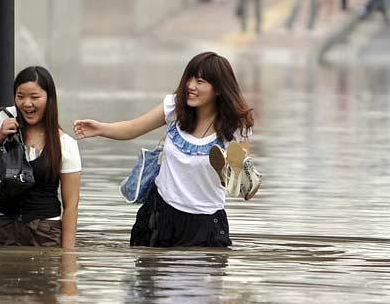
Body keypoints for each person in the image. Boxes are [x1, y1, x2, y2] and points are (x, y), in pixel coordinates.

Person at [72, 52, 258, 248]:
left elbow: (243, 183)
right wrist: (100, 129)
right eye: (189, 78)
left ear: (218, 89)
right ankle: (226, 173)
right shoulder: (175, 108)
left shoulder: (237, 127)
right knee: (152, 266)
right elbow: (134, 127)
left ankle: (227, 174)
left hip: (206, 221)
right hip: (160, 213)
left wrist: (236, 175)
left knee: (204, 267)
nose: (190, 86)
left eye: (200, 81)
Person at [0, 66, 82, 248]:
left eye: (35, 97)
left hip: (45, 232)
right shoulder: (6, 117)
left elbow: (71, 207)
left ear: (49, 98)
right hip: (3, 228)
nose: (27, 104)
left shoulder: (66, 144)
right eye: (20, 96)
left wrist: (68, 257)